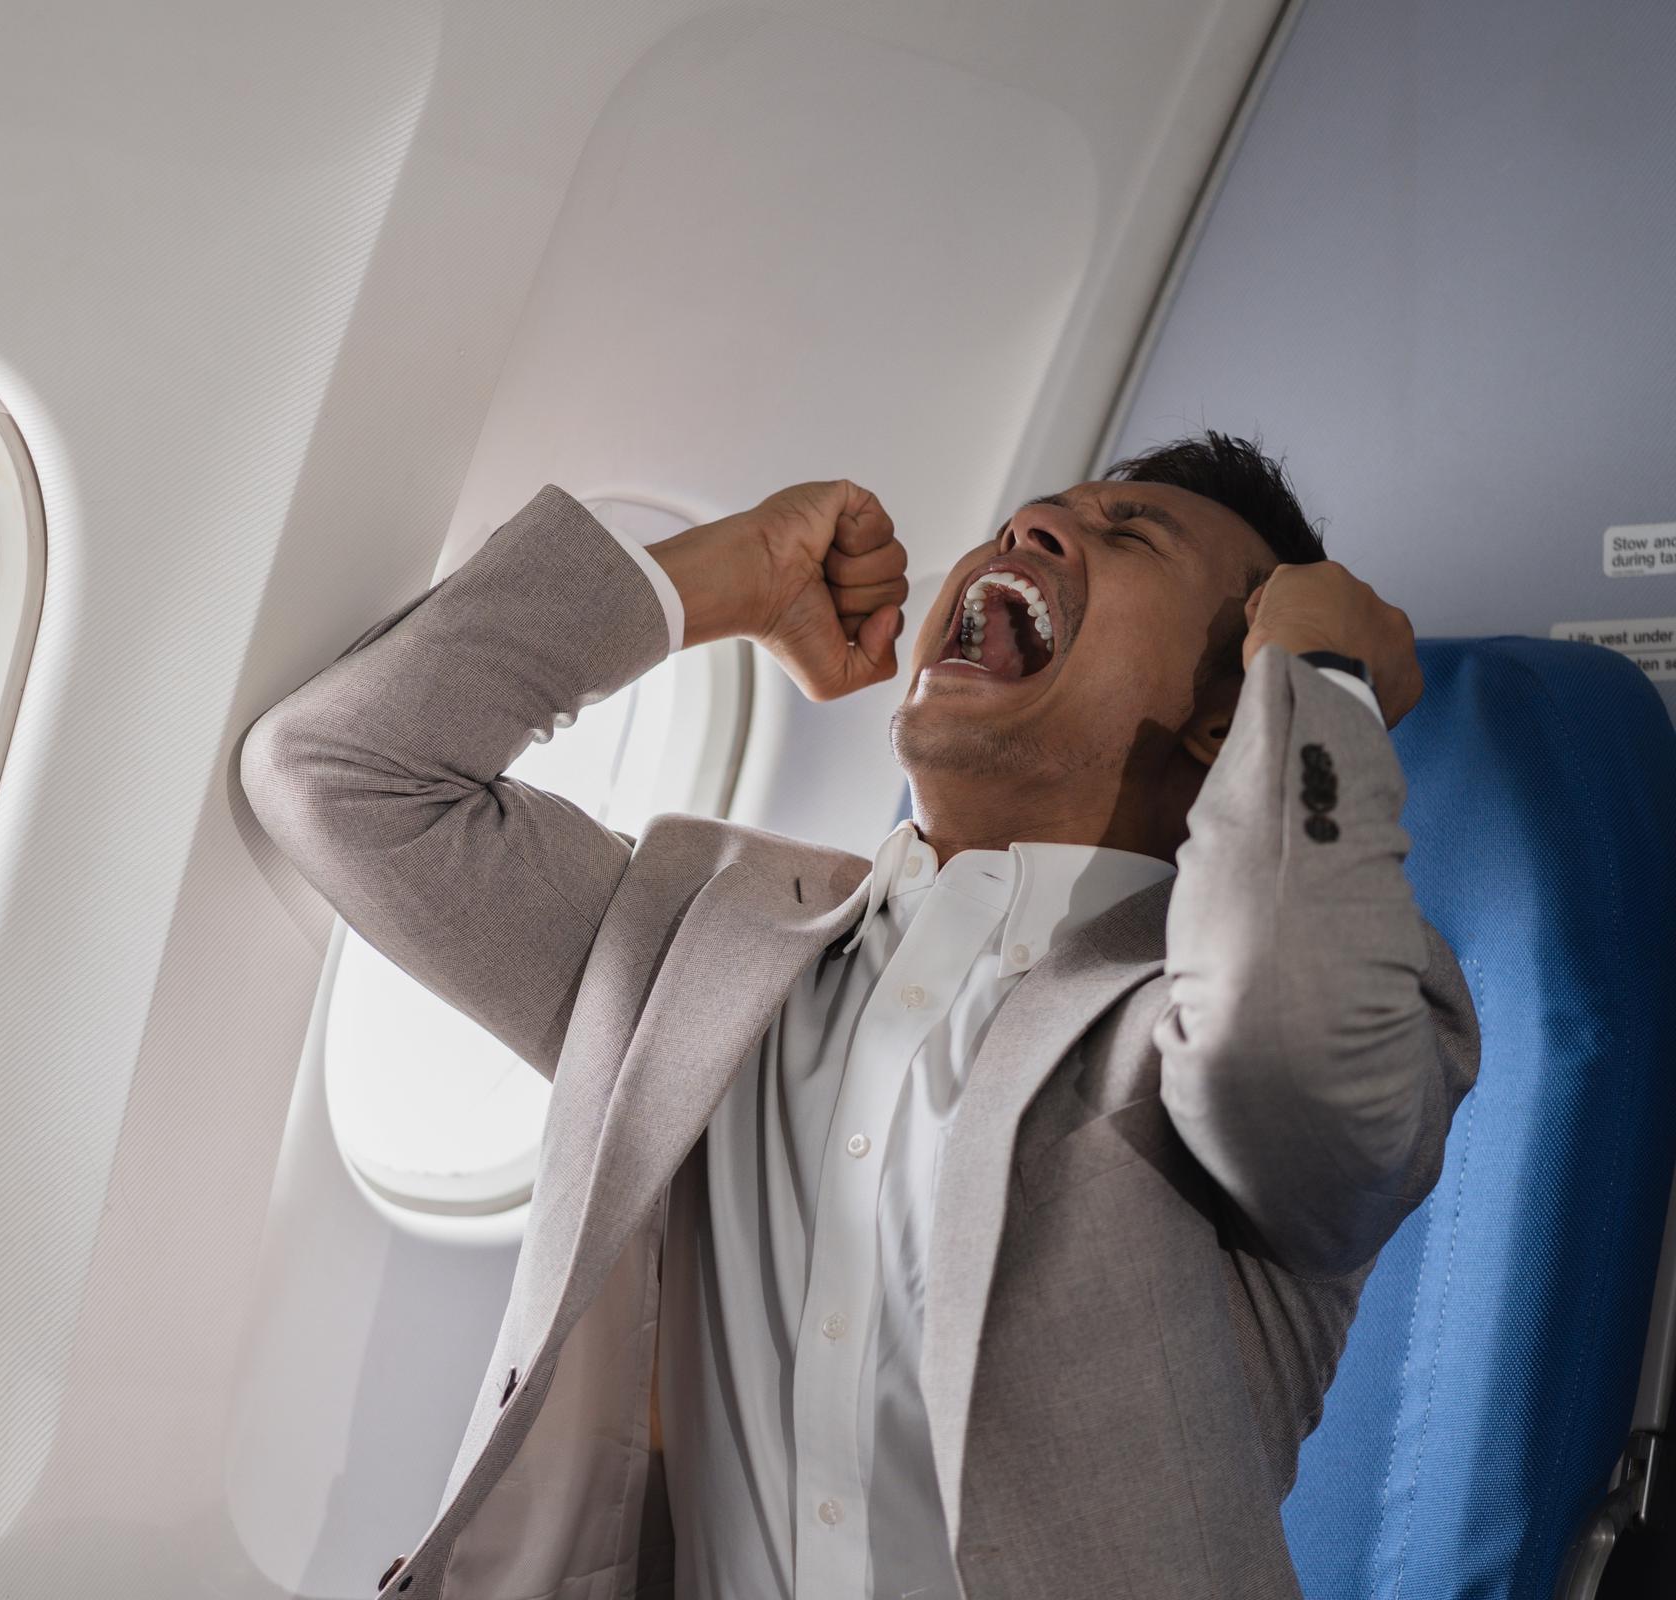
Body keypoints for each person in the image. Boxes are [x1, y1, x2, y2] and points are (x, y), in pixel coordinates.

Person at [237, 432, 1479, 1600]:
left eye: (1130, 534)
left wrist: (1317, 682)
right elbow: (340, 773)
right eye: (1032, 514)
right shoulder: (701, 947)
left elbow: (1309, 1046)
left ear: (1224, 720)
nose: (1037, 525)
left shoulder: (1203, 1021)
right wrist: (714, 586)